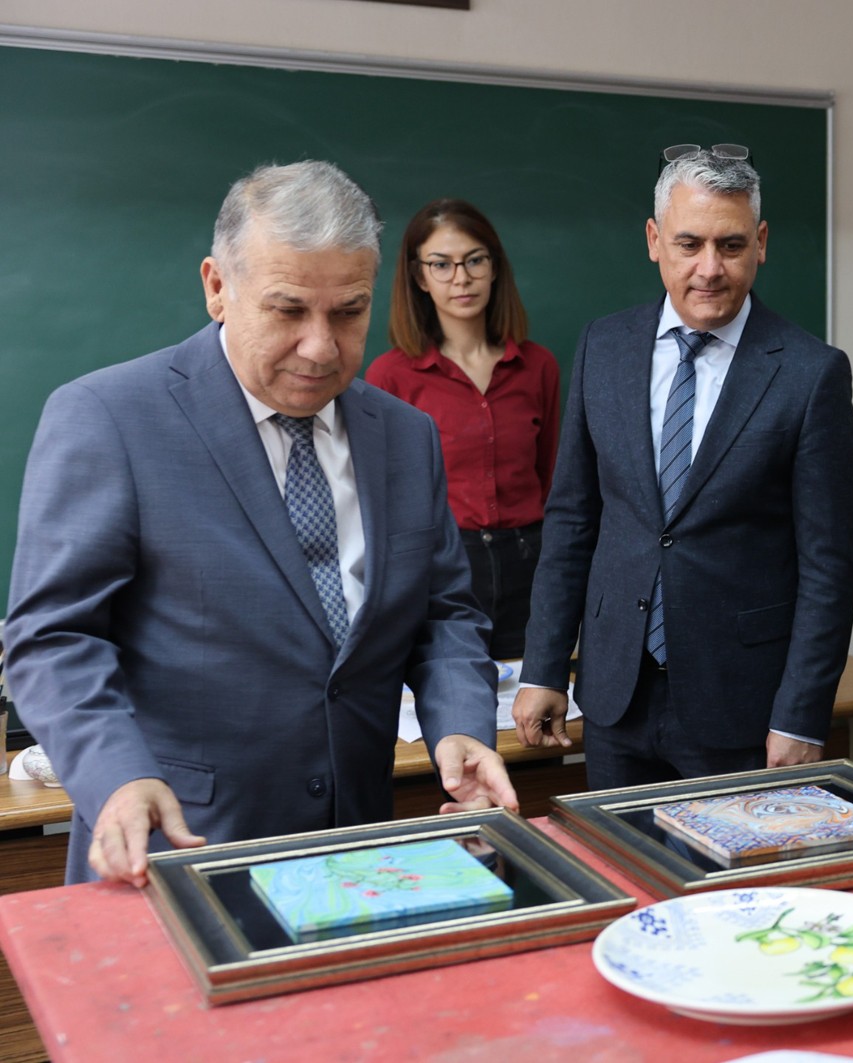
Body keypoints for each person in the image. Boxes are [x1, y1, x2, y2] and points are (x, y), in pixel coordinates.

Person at [2, 161, 518, 886]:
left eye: (349, 312)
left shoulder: (405, 435)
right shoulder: (108, 418)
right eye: (288, 310)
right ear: (217, 286)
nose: (321, 346)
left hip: (357, 848)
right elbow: (54, 636)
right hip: (178, 847)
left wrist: (460, 724)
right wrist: (116, 775)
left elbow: (443, 615)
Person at [512, 144, 853, 788]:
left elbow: (829, 566)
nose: (710, 268)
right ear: (654, 241)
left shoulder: (812, 373)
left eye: (731, 245)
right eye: (689, 243)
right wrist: (544, 666)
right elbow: (572, 521)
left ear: (761, 243)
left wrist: (802, 715)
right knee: (614, 854)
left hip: (743, 705)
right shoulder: (602, 346)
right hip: (615, 695)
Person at [367, 199, 559, 660]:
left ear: (494, 268)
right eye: (441, 264)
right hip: (444, 568)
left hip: (531, 565)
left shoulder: (537, 366)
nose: (461, 278)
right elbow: (384, 499)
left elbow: (553, 477)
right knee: (451, 690)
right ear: (419, 277)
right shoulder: (391, 377)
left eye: (475, 260)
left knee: (532, 696)